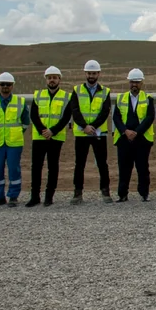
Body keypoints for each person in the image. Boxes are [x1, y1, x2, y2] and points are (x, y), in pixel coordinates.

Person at [65, 59, 113, 204]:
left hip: (99, 133)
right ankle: (77, 193)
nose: (91, 76)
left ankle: (105, 192)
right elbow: (75, 110)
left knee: (102, 163)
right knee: (80, 163)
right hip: (82, 133)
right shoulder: (77, 90)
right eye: (89, 73)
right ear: (85, 73)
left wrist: (93, 126)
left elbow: (105, 111)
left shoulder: (105, 91)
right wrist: (85, 126)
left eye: (94, 73)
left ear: (98, 74)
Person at [27, 66, 70, 207]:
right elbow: (33, 115)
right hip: (39, 137)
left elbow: (66, 117)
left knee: (53, 167)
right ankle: (35, 197)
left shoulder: (66, 97)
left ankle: (49, 196)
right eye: (49, 77)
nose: (52, 80)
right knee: (36, 167)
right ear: (46, 79)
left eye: (55, 77)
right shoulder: (38, 95)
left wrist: (52, 131)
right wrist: (43, 130)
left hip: (56, 137)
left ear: (59, 79)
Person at [0, 72, 30, 207]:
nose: (5, 87)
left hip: (14, 142)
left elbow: (26, 122)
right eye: (3, 84)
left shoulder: (20, 102)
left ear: (12, 85)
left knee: (13, 170)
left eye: (8, 84)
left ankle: (13, 196)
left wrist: (16, 132)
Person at [113, 68, 156, 202]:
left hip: (142, 139)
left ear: (142, 83)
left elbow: (150, 117)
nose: (134, 85)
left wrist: (136, 132)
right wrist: (125, 131)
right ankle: (122, 194)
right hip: (124, 138)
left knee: (142, 168)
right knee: (124, 168)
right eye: (132, 82)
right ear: (129, 82)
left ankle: (144, 193)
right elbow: (116, 118)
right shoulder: (120, 98)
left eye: (137, 82)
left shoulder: (148, 99)